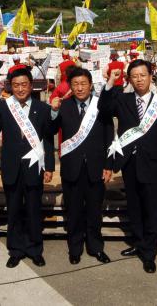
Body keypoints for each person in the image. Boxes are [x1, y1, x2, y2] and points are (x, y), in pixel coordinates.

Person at [98, 59, 157, 273]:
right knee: (135, 208)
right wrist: (110, 82)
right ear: (129, 79)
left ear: (151, 76)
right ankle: (139, 244)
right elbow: (104, 110)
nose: (139, 79)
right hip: (129, 163)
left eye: (143, 75)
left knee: (152, 209)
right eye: (135, 76)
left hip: (153, 164)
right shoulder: (122, 99)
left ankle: (149, 254)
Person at [0, 67, 54, 268]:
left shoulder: (42, 109)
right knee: (14, 210)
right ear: (10, 87)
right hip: (12, 167)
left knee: (34, 209)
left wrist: (49, 166)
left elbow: (49, 139)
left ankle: (35, 249)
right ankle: (15, 250)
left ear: (31, 86)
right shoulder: (3, 107)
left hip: (35, 165)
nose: (20, 89)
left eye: (24, 84)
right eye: (15, 85)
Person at [50, 67, 113, 265]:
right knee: (74, 212)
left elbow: (109, 135)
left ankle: (96, 247)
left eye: (83, 83)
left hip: (96, 167)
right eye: (75, 84)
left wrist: (108, 164)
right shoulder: (64, 105)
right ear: (70, 86)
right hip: (72, 168)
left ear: (91, 85)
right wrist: (53, 111)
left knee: (95, 211)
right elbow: (51, 129)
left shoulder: (99, 105)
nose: (79, 88)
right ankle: (75, 248)